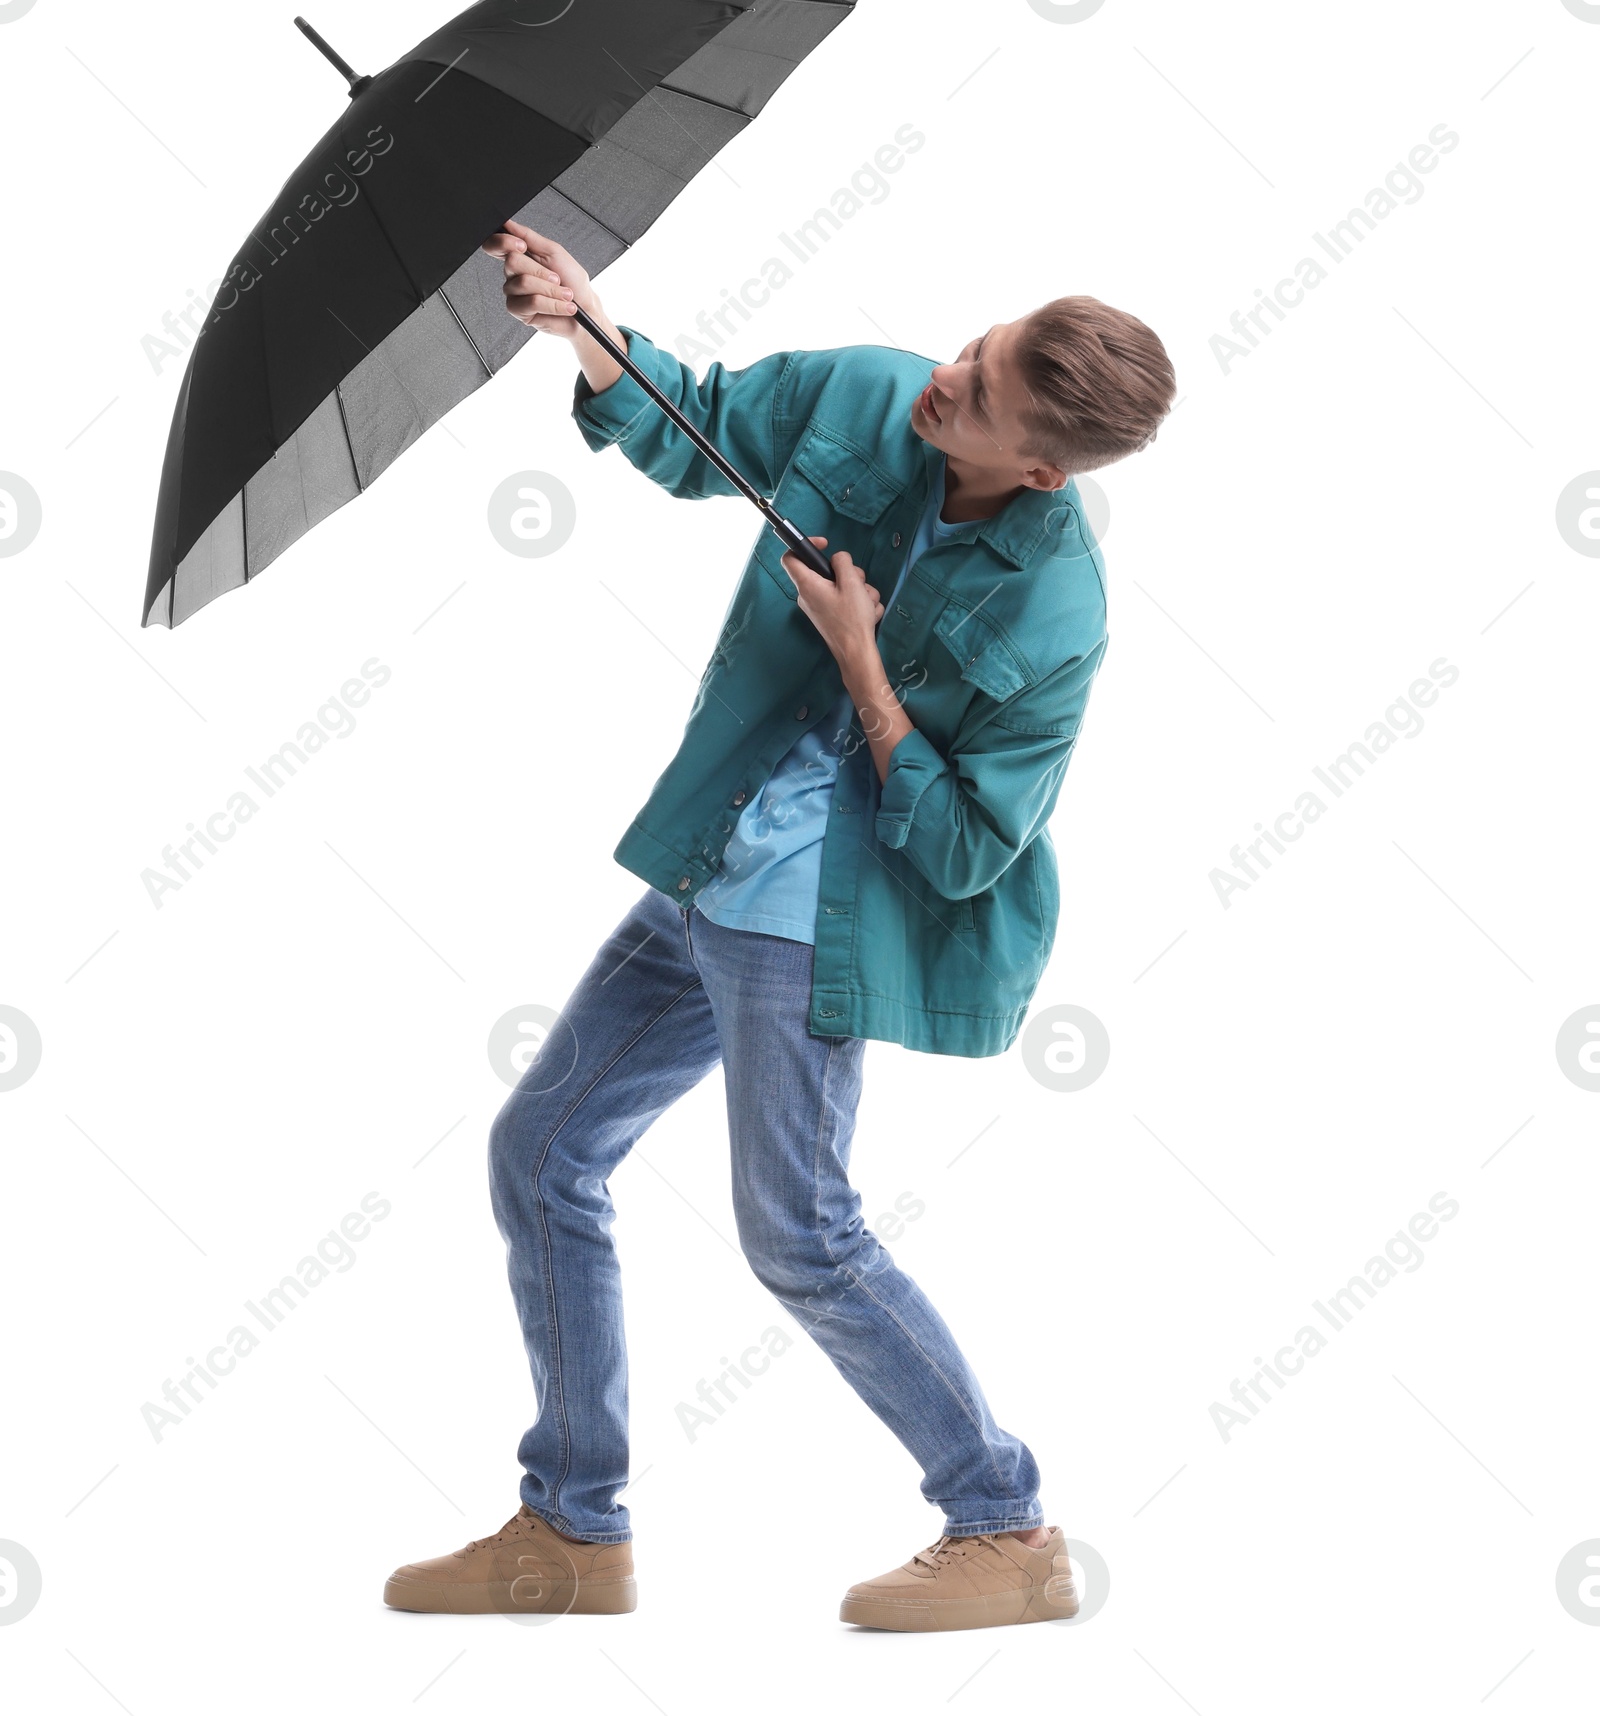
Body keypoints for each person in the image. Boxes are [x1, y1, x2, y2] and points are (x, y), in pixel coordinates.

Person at [384, 221, 1175, 1631]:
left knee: (800, 1234)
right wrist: (581, 322)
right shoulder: (872, 393)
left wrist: (866, 666)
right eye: (974, 347)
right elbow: (698, 426)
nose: (946, 379)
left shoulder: (1059, 611)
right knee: (545, 1153)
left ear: (1043, 470)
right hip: (710, 860)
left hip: (819, 918)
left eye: (980, 397)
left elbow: (962, 845)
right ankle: (573, 1526)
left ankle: (1005, 1522)